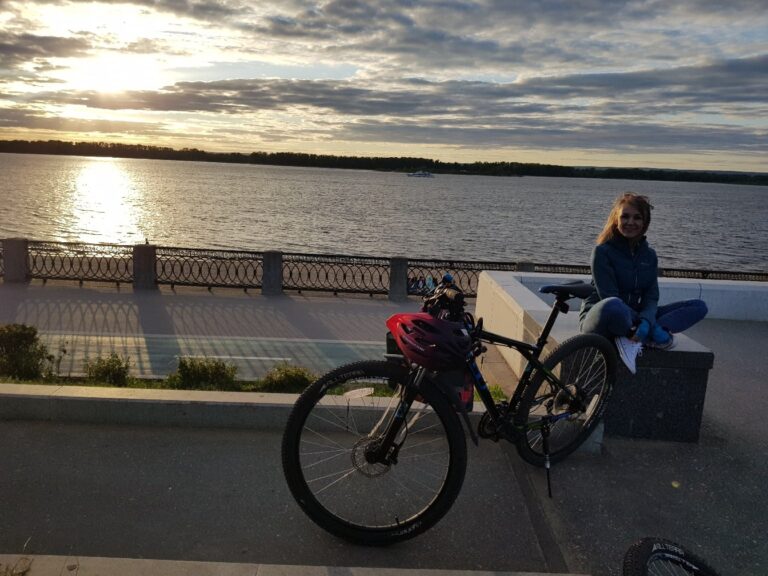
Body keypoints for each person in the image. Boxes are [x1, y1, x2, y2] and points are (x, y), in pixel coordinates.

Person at [579, 193, 708, 374]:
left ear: (645, 223)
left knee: (698, 307)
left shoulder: (649, 256)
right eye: (625, 216)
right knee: (613, 305)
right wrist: (648, 324)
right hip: (603, 316)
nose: (630, 222)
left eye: (637, 217)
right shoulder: (602, 252)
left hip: (636, 317)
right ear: (616, 219)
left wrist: (646, 319)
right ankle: (646, 334)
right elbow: (608, 295)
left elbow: (651, 295)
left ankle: (637, 335)